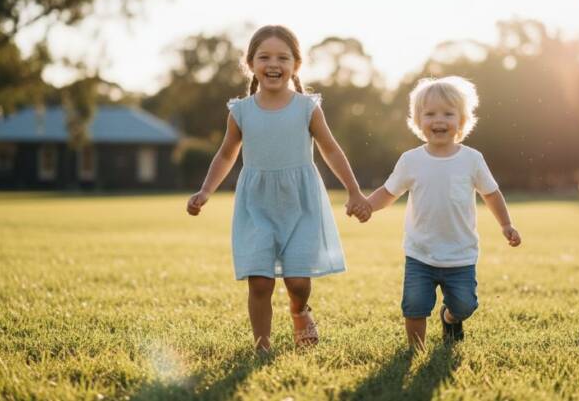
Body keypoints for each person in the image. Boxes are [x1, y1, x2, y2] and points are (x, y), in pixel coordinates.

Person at [187, 25, 371, 352]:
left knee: (298, 281)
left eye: (283, 57)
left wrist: (354, 191)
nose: (274, 63)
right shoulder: (241, 111)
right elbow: (227, 153)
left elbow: (330, 149)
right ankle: (262, 346)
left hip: (300, 203)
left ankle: (299, 310)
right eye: (265, 56)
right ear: (251, 64)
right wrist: (205, 191)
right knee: (259, 280)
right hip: (256, 204)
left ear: (296, 65)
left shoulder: (306, 108)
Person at [363, 76, 521, 349]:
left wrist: (505, 224)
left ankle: (450, 318)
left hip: (460, 254)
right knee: (414, 307)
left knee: (465, 305)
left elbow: (491, 193)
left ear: (461, 121)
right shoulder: (411, 160)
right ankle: (416, 350)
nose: (439, 120)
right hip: (419, 253)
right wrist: (368, 206)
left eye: (448, 114)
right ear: (417, 120)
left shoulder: (472, 159)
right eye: (430, 114)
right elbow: (389, 192)